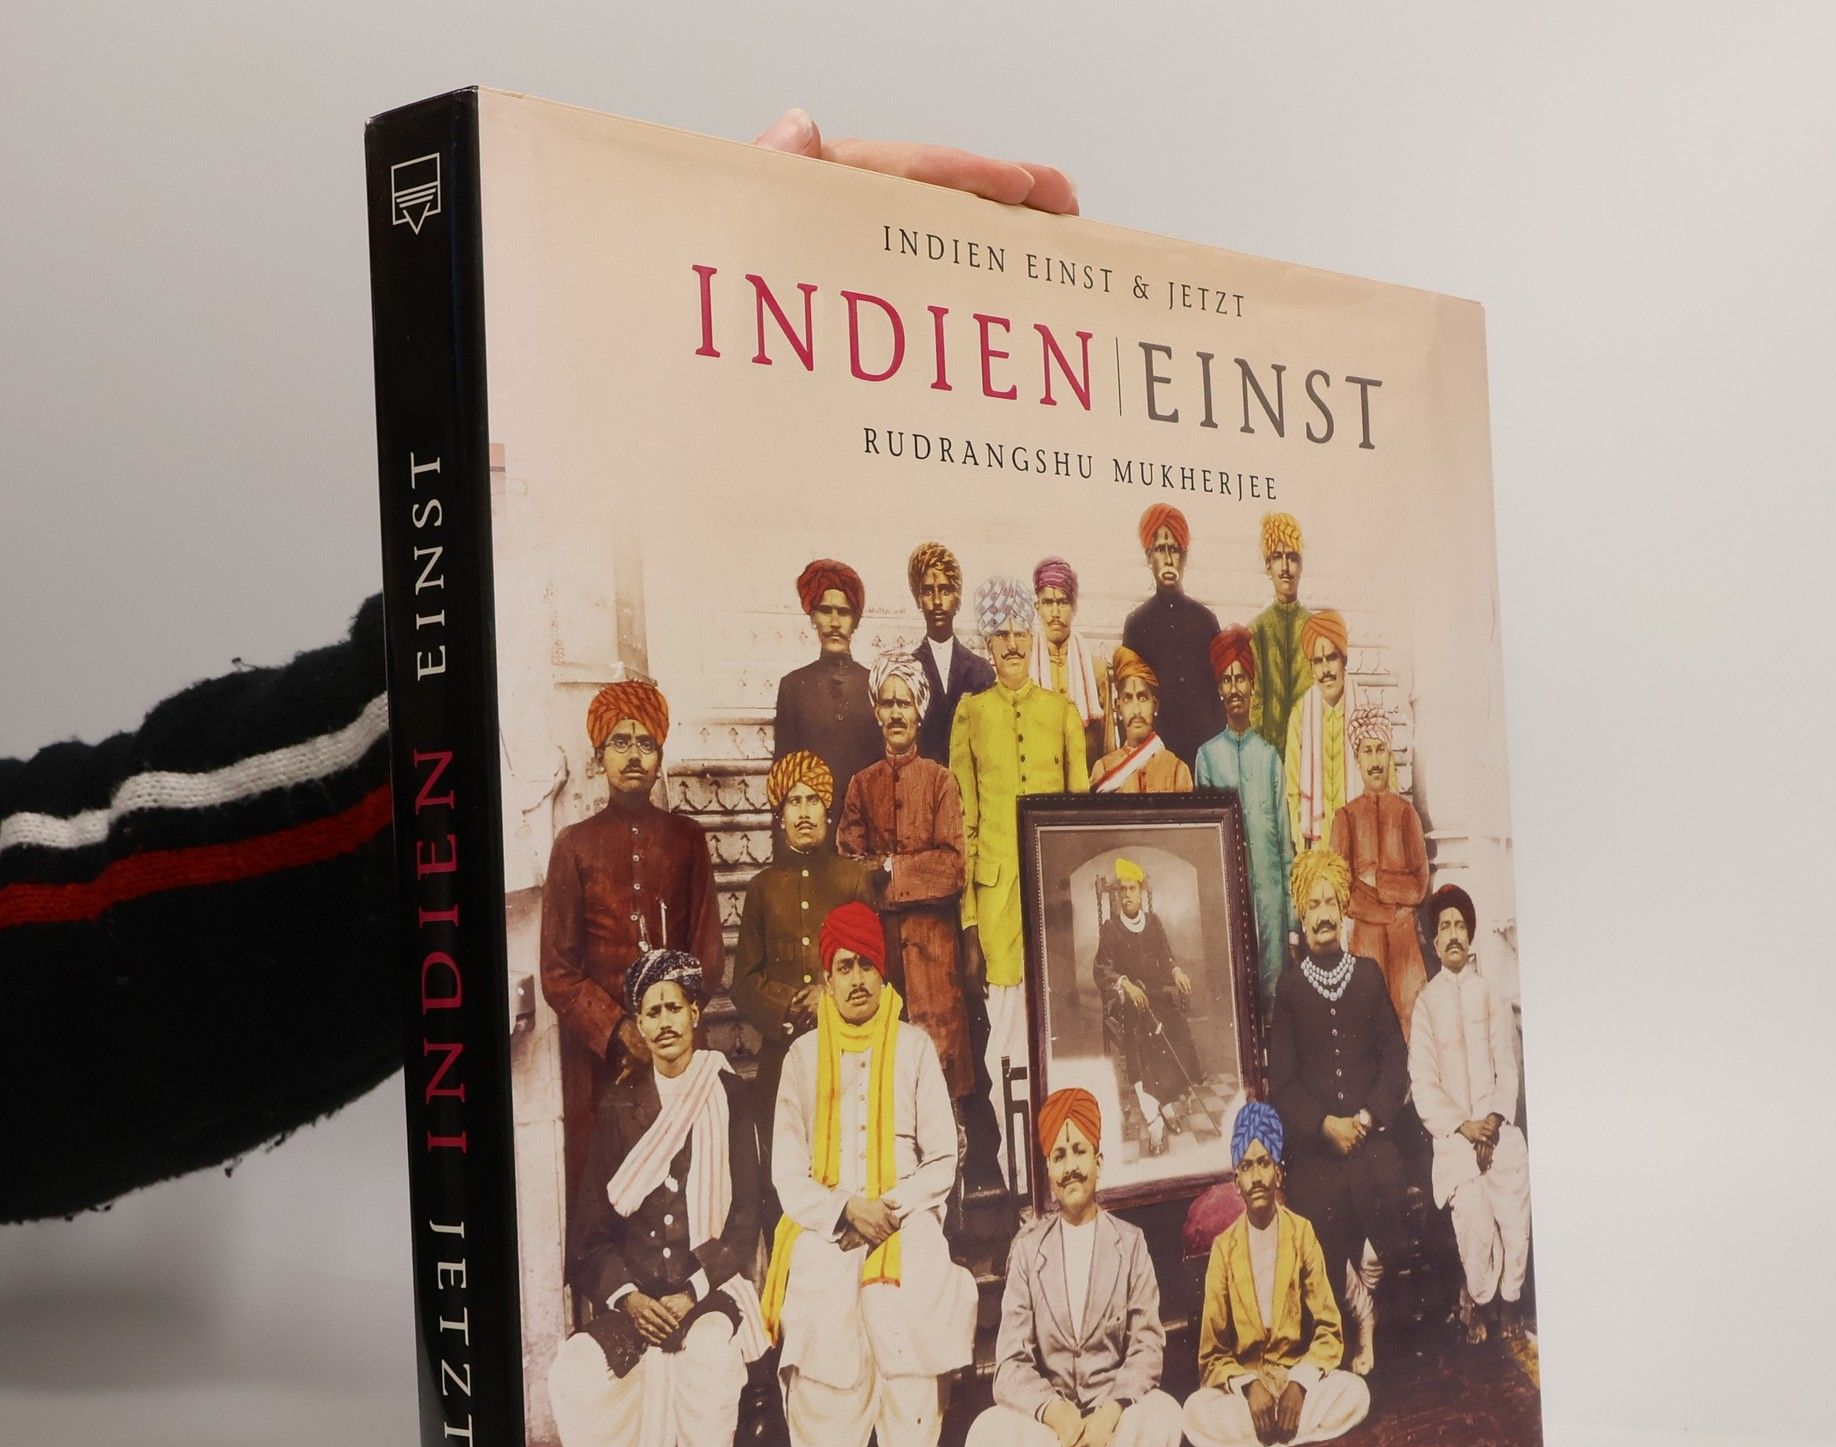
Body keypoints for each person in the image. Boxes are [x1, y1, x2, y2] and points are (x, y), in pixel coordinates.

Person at [1, 113, 1078, 1229]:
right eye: (621, 742)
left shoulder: (788, 810)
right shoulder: (627, 825)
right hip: (625, 1049)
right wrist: (643, 1022)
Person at [544, 950, 768, 1447]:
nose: (665, 1022)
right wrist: (630, 1298)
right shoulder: (620, 1104)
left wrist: (693, 1290)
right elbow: (588, 1241)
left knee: (709, 1364)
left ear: (696, 1013)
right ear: (638, 1026)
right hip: (637, 1298)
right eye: (651, 1012)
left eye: (675, 1007)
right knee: (576, 1375)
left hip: (708, 1290)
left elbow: (745, 1220)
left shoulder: (729, 1093)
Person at [761, 901, 978, 1447]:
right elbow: (787, 1171)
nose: (856, 980)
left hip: (903, 1216)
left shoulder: (914, 1047)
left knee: (908, 1295)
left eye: (867, 967)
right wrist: (843, 1211)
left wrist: (890, 1209)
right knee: (818, 1307)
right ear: (825, 978)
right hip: (826, 1222)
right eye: (844, 967)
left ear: (884, 974)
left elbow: (942, 1158)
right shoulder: (802, 1058)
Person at [540, 680, 726, 1198]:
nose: (634, 755)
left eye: (646, 743)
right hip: (602, 1062)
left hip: (677, 1049)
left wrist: (666, 1028)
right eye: (620, 742)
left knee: (687, 1186)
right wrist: (620, 1030)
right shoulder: (574, 845)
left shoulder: (687, 838)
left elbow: (708, 953)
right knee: (607, 1189)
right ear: (599, 755)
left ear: (660, 755)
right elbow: (558, 972)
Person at [964, 1087, 1182, 1447]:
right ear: (1048, 1170)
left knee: (1165, 1419)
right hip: (1055, 1429)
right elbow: (1010, 1364)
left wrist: (1108, 1417)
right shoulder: (1028, 1252)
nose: (1071, 1168)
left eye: (1079, 1152)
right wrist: (1059, 1416)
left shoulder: (1130, 1244)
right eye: (1059, 1156)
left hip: (1110, 1421)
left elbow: (1146, 1348)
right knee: (981, 1440)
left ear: (1099, 1161)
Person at [948, 576, 1090, 1188]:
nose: (1010, 644)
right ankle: (1024, 1185)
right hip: (998, 909)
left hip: (1056, 904)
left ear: (1033, 636)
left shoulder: (1061, 713)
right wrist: (969, 926)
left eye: (1018, 632)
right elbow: (965, 825)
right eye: (1000, 634)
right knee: (1006, 1046)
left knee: (1065, 1036)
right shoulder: (972, 713)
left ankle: (1070, 1177)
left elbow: (1082, 824)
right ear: (987, 641)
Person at [1267, 847, 1409, 1377]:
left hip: (1371, 1137)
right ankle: (1357, 1314)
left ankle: (1369, 1299)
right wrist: (1325, 1125)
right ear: (1302, 916)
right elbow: (1283, 1083)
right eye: (1314, 905)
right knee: (1315, 1207)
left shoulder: (1368, 976)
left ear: (1344, 908)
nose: (1324, 914)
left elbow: (1395, 1061)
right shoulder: (1289, 988)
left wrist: (1366, 1119)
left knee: (1385, 1179)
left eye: (1331, 902)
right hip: (1317, 1148)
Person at [1181, 1101, 1370, 1447]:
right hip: (1249, 1396)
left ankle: (1262, 1440)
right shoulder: (1224, 1249)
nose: (1256, 1178)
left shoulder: (1301, 1233)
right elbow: (1212, 1353)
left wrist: (1300, 1384)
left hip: (1295, 1382)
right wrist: (1248, 1386)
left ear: (1279, 1174)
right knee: (1195, 1412)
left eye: (1264, 1163)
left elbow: (1329, 1330)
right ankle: (1285, 1435)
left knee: (1355, 1394)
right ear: (1236, 1181)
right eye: (1246, 1166)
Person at [837, 653, 974, 1100]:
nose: (896, 713)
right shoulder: (861, 785)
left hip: (935, 960)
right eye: (888, 702)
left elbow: (952, 869)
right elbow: (850, 872)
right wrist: (905, 874)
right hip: (882, 959)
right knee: (887, 1087)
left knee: (941, 1086)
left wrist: (889, 869)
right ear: (876, 711)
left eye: (905, 702)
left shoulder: (940, 781)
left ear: (919, 711)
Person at [731, 751, 873, 1164]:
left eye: (813, 800)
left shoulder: (852, 880)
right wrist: (789, 1007)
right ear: (781, 817)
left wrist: (828, 997)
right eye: (794, 802)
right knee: (787, 1163)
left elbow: (873, 966)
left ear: (828, 811)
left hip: (847, 1049)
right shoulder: (762, 888)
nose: (805, 812)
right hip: (783, 1054)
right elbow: (743, 982)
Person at [1407, 885, 1531, 1340]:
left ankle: (1511, 1299)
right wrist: (1466, 1127)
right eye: (1445, 927)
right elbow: (1424, 1083)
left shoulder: (1489, 995)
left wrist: (1493, 1123)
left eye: (1460, 925)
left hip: (1496, 1130)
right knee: (1474, 1218)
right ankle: (1480, 1299)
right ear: (1436, 941)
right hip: (1456, 1137)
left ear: (1470, 935)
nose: (1454, 934)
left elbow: (1508, 1069)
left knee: (1514, 1201)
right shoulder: (1426, 1004)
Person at [1194, 625, 1292, 1003]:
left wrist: (1292, 923)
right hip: (1228, 902)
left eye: (1241, 678)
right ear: (1219, 690)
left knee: (1275, 996)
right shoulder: (1207, 757)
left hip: (1271, 903)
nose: (1234, 688)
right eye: (1227, 679)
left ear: (1252, 686)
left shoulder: (1269, 758)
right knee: (1236, 998)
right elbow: (1204, 848)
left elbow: (1284, 845)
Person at [1330, 698, 1430, 1038]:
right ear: (1357, 758)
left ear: (1390, 755)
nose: (1375, 761)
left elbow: (1418, 885)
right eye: (1367, 751)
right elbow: (1341, 890)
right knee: (1366, 1026)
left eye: (1380, 750)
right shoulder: (1345, 818)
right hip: (1366, 943)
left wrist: (1378, 880)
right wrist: (1389, 908)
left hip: (1405, 945)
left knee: (1412, 1026)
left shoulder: (1406, 814)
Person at [1094, 856, 1203, 1155]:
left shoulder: (1153, 923)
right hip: (1127, 1003)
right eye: (1122, 890)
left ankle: (1166, 1102)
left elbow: (1166, 958)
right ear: (1118, 895)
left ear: (1141, 892)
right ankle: (1154, 1119)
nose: (1127, 895)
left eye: (1132, 889)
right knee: (1141, 1038)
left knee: (1175, 1026)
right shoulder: (1111, 928)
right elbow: (1102, 969)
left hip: (1155, 996)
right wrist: (1126, 985)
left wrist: (1177, 972)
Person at [773, 559, 885, 833]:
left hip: (865, 832)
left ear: (855, 621)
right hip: (812, 833)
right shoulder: (793, 686)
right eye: (825, 611)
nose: (835, 623)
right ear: (813, 617)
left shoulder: (876, 683)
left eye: (844, 613)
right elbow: (784, 778)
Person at [1120, 503, 1221, 764]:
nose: (1167, 559)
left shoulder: (1206, 621)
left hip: (1202, 751)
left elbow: (1216, 700)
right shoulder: (1136, 624)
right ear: (1148, 557)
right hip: (1156, 754)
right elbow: (1131, 696)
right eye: (1160, 549)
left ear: (1183, 558)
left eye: (1174, 550)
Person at [905, 540, 995, 766]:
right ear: (918, 600)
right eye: (928, 591)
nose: (937, 601)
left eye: (945, 591)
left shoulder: (981, 670)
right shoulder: (908, 670)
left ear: (958, 600)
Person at [1284, 609, 1358, 854]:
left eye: (1331, 657)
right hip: (1316, 845)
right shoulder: (1300, 715)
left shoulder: (1366, 711)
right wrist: (1302, 846)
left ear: (1344, 659)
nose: (1325, 669)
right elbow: (1292, 789)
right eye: (1318, 661)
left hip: (1361, 845)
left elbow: (1386, 787)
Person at [1247, 512, 1312, 763]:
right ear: (1268, 565)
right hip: (1269, 757)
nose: (1285, 568)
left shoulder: (1315, 629)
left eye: (1292, 558)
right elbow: (1255, 706)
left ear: (1301, 565)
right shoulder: (1257, 630)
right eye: (1277, 557)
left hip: (1309, 756)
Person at [1030, 556, 1105, 766]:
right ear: (1037, 607)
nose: (1055, 613)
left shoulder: (1094, 669)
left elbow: (1106, 742)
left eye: (1062, 602)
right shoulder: (1025, 668)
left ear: (1074, 608)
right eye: (1048, 602)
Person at [1088, 645, 1194, 793]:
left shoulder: (1177, 770)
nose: (1136, 710)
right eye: (1128, 699)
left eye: (1142, 698)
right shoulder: (1104, 769)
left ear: (1155, 705)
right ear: (1118, 707)